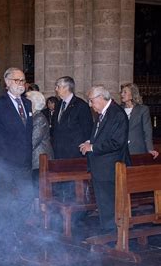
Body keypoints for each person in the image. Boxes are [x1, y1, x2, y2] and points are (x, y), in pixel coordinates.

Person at [0, 67, 33, 250]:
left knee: (27, 197)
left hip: (24, 163)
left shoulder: (27, 104)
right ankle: (3, 237)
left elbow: (27, 134)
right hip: (4, 163)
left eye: (23, 81)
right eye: (17, 80)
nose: (21, 84)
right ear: (7, 83)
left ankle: (15, 229)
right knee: (3, 201)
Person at [79, 85, 130, 232]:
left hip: (110, 167)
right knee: (104, 202)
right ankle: (107, 230)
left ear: (101, 98)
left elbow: (117, 142)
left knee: (109, 202)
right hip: (101, 167)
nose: (90, 104)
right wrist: (90, 142)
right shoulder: (103, 113)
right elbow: (100, 135)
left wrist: (93, 148)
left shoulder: (116, 113)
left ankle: (112, 233)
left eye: (91, 101)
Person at [53, 76, 93, 159]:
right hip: (58, 151)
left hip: (74, 153)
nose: (56, 89)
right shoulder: (59, 104)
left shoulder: (81, 105)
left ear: (66, 88)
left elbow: (87, 129)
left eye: (58, 86)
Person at [26, 91, 53, 198]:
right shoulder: (32, 116)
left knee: (38, 190)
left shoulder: (39, 118)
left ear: (33, 103)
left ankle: (40, 212)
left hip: (39, 160)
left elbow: (33, 141)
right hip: (34, 160)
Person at [120, 83, 159, 159]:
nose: (122, 94)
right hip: (121, 150)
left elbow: (147, 131)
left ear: (132, 94)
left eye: (125, 92)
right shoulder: (119, 110)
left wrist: (150, 149)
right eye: (121, 92)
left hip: (137, 150)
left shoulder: (143, 110)